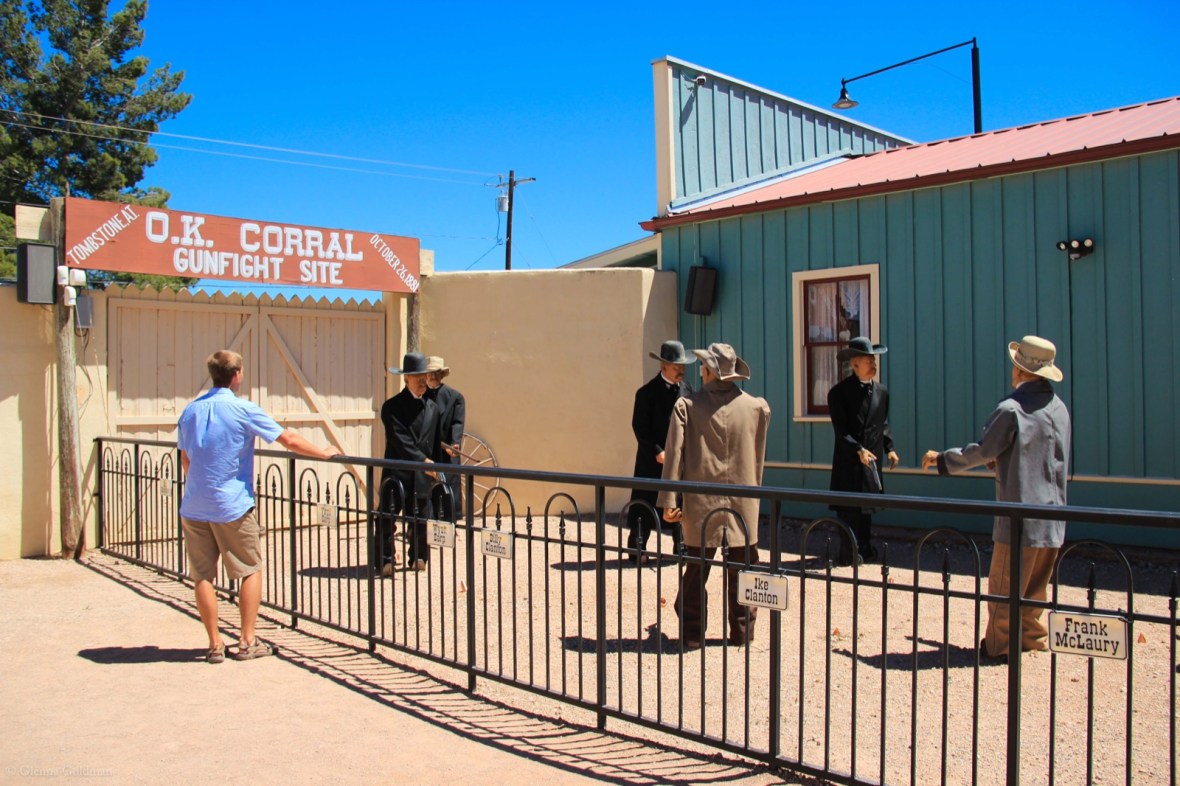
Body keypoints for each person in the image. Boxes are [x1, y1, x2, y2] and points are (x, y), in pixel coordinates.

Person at [178, 350, 340, 664]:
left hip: (195, 503)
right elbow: (288, 439)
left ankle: (214, 644)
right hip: (232, 505)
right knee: (249, 569)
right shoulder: (243, 410)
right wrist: (323, 454)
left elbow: (186, 457)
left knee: (202, 575)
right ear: (237, 374)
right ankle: (246, 640)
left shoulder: (191, 411)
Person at [922, 335, 1071, 661]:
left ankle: (1001, 649)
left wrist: (943, 459)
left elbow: (985, 449)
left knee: (1004, 589)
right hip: (1053, 517)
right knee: (1034, 591)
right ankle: (1030, 641)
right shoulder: (1059, 410)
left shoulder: (1011, 409)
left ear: (1019, 370)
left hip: (1018, 517)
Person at [659, 343, 771, 650]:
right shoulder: (756, 408)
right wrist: (753, 496)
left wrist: (670, 501)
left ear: (709, 371)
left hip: (701, 502)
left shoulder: (687, 407)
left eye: (704, 366)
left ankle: (693, 635)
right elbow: (757, 459)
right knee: (744, 568)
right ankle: (742, 633)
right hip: (743, 501)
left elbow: (674, 457)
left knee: (696, 570)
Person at [827, 337, 900, 566]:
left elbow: (882, 423)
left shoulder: (882, 392)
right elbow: (840, 431)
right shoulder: (838, 393)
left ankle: (866, 550)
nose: (874, 365)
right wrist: (858, 449)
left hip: (871, 461)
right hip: (849, 461)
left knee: (866, 510)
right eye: (869, 361)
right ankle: (849, 554)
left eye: (874, 360)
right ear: (856, 364)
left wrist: (890, 448)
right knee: (849, 510)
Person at [626, 340, 694, 564]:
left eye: (683, 366)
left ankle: (681, 547)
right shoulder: (646, 393)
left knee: (678, 502)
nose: (681, 371)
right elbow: (639, 427)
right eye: (677, 367)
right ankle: (637, 547)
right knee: (645, 504)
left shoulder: (688, 391)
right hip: (651, 460)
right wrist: (657, 451)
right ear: (663, 365)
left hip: (679, 459)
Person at [380, 352, 440, 574]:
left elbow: (433, 443)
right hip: (398, 470)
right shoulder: (391, 407)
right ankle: (385, 558)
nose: (423, 380)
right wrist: (423, 461)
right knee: (387, 516)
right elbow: (400, 439)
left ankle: (418, 557)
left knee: (420, 518)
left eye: (424, 376)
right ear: (406, 378)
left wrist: (437, 468)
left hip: (422, 474)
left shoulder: (433, 409)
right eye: (417, 377)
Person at [424, 356, 466, 522]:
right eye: (430, 373)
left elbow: (457, 422)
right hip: (426, 451)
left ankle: (449, 523)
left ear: (442, 375)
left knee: (449, 486)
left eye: (436, 373)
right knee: (424, 486)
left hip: (447, 449)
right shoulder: (421, 395)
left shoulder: (455, 397)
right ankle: (424, 524)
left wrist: (454, 444)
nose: (433, 376)